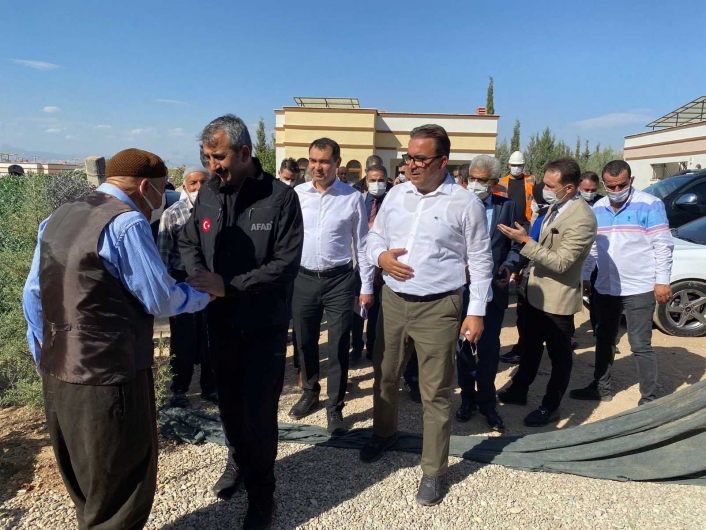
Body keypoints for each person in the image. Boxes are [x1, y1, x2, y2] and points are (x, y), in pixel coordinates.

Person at [22, 148, 211, 530]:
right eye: (162, 189)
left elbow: (33, 295)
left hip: (58, 373)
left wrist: (45, 352)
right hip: (110, 375)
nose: (162, 199)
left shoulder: (59, 216)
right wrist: (203, 294)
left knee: (86, 481)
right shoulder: (126, 223)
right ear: (145, 187)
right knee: (122, 483)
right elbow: (159, 297)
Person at [180, 114, 303, 529]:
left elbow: (285, 265)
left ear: (245, 152)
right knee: (230, 406)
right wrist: (200, 275)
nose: (212, 165)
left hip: (263, 327)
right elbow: (189, 239)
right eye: (207, 157)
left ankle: (262, 495)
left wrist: (229, 285)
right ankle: (237, 461)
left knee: (259, 413)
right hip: (220, 323)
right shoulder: (209, 192)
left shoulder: (281, 198)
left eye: (219, 157)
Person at [360, 125, 493, 506]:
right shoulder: (396, 194)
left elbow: (480, 260)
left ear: (442, 161)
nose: (412, 165)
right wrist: (381, 257)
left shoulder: (464, 204)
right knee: (386, 375)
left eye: (421, 159)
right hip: (393, 301)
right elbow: (375, 237)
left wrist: (476, 311)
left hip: (439, 307)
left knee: (435, 391)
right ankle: (384, 433)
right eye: (409, 157)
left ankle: (433, 470)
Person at [497, 158, 597, 427]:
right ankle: (519, 390)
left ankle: (550, 406)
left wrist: (524, 242)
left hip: (557, 299)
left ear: (569, 187)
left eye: (551, 186)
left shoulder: (582, 218)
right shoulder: (554, 207)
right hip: (535, 292)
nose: (545, 190)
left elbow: (562, 262)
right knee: (530, 347)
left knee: (559, 357)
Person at [289, 138, 374, 437]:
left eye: (324, 161)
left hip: (340, 280)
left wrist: (366, 287)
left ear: (337, 163)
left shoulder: (352, 198)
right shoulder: (297, 195)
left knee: (338, 344)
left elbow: (362, 244)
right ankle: (310, 391)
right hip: (303, 278)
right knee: (305, 339)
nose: (317, 167)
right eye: (312, 161)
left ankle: (334, 407)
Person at [570, 160, 673, 406]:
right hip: (606, 287)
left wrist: (662, 281)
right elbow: (592, 247)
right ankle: (600, 387)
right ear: (603, 184)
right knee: (604, 338)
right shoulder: (597, 208)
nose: (616, 191)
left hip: (639, 287)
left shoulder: (650, 205)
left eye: (622, 185)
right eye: (611, 186)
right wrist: (586, 275)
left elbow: (662, 245)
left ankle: (649, 398)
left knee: (640, 344)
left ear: (631, 181)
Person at [455, 155, 521, 431]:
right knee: (463, 349)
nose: (476, 184)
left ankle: (487, 402)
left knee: (489, 349)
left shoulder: (507, 207)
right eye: (472, 178)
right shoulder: (455, 204)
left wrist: (509, 265)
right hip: (460, 290)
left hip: (493, 290)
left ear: (494, 182)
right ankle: (467, 399)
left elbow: (516, 246)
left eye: (482, 180)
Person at [157, 166, 217, 408]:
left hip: (211, 281)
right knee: (183, 339)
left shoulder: (219, 210)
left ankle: (210, 387)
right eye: (194, 183)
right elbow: (163, 254)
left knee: (210, 336)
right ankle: (180, 390)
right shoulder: (172, 214)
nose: (199, 187)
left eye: (204, 182)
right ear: (185, 187)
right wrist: (168, 292)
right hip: (183, 281)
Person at [350, 164, 388, 363]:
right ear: (366, 181)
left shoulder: (392, 203)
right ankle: (356, 347)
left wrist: (380, 268)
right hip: (360, 265)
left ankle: (373, 347)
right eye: (373, 180)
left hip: (383, 267)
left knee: (377, 312)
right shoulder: (359, 201)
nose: (376, 184)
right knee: (358, 309)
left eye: (380, 180)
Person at [494, 150, 536, 231]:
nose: (516, 167)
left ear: (523, 165)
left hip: (526, 223)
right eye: (513, 165)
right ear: (509, 165)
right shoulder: (501, 182)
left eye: (519, 165)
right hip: (506, 223)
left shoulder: (531, 180)